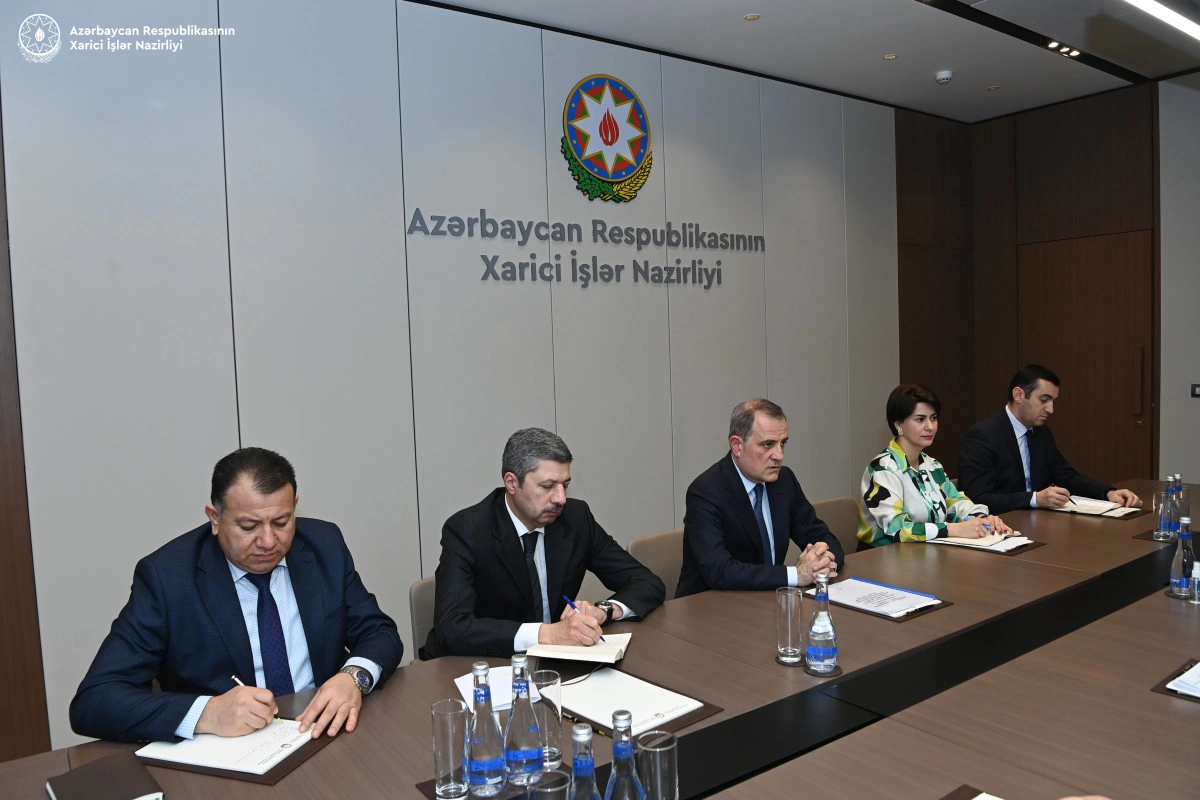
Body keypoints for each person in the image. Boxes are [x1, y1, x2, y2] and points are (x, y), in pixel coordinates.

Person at [70, 447, 403, 744]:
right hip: (230, 754)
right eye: (249, 526)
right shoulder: (167, 578)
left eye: (281, 521)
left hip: (322, 735)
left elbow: (379, 632)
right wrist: (208, 713)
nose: (268, 541)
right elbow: (95, 700)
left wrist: (352, 678)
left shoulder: (323, 546)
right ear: (215, 518)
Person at [420, 427, 665, 660]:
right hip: (480, 666)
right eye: (547, 486)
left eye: (565, 485)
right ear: (511, 483)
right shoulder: (468, 530)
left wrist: (603, 610)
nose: (561, 498)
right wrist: (548, 634)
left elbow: (647, 582)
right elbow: (452, 628)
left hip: (553, 664)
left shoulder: (576, 519)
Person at [675, 399, 845, 598]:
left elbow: (823, 537)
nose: (779, 455)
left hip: (767, 601)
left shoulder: (784, 481)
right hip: (710, 606)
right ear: (737, 446)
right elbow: (719, 571)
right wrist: (796, 575)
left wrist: (823, 562)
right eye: (768, 444)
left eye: (783, 443)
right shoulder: (706, 491)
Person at [958, 365, 1142, 515]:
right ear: (1018, 395)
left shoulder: (1040, 432)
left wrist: (1108, 492)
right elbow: (978, 498)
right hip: (1000, 525)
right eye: (1044, 400)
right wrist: (1035, 499)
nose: (1051, 409)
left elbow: (1066, 476)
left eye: (1053, 401)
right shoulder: (983, 436)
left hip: (1040, 521)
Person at [858, 384, 1011, 547]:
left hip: (927, 550)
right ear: (899, 424)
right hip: (883, 555)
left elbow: (956, 502)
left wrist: (981, 518)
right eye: (920, 419)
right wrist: (953, 529)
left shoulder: (932, 465)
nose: (930, 427)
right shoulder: (883, 469)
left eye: (933, 418)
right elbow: (898, 528)